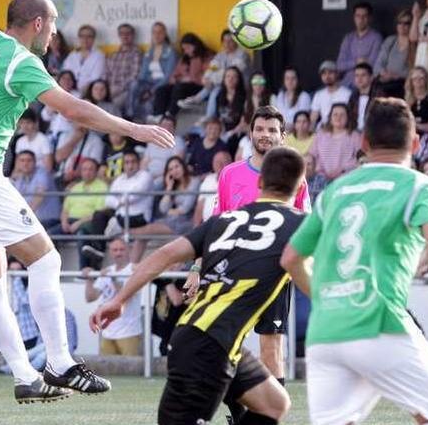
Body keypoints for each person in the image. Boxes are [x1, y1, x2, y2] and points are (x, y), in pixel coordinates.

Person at [0, 0, 174, 401]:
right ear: (36, 23)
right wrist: (135, 130)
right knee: (45, 258)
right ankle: (60, 361)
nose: (52, 35)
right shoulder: (21, 60)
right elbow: (74, 110)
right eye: (51, 25)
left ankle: (24, 377)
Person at [280, 97, 428, 425]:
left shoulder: (334, 191)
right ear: (415, 142)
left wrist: (324, 298)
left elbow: (291, 258)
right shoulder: (420, 186)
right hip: (379, 322)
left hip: (326, 332)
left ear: (364, 143)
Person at [91, 146, 307, 424]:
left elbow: (163, 255)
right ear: (300, 186)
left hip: (202, 337)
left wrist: (119, 299)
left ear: (260, 182)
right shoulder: (300, 224)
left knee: (274, 404)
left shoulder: (222, 220)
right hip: (209, 348)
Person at [185, 105, 310, 393]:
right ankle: (237, 411)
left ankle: (271, 416)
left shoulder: (295, 176)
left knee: (271, 345)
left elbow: (306, 226)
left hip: (276, 275)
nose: (265, 135)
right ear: (251, 133)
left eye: (271, 130)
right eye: (260, 129)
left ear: (283, 136)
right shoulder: (230, 174)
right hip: (234, 272)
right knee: (228, 345)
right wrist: (196, 268)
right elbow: (216, 227)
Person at [128, 156, 200, 263]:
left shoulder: (194, 181)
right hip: (173, 220)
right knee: (141, 237)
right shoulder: (175, 185)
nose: (175, 170)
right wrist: (169, 188)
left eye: (177, 166)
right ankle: (130, 268)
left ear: (183, 166)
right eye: (171, 169)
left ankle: (126, 233)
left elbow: (186, 208)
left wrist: (171, 211)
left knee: (147, 230)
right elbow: (163, 208)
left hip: (186, 222)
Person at [83, 238, 141, 356]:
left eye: (121, 249)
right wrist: (89, 278)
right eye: (114, 250)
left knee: (131, 372)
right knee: (106, 372)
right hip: (107, 332)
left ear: (128, 250)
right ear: (110, 252)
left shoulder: (134, 269)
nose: (118, 253)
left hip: (129, 333)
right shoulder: (108, 271)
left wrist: (112, 277)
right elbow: (91, 298)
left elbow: (126, 296)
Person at [126, 21, 177, 122]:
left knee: (149, 100)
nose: (157, 35)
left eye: (160, 32)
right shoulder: (149, 52)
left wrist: (151, 90)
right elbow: (142, 73)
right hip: (148, 82)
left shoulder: (171, 52)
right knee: (134, 85)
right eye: (154, 32)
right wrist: (142, 88)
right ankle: (130, 115)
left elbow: (168, 76)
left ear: (165, 34)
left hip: (160, 84)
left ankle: (147, 124)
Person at [151, 32, 211, 118]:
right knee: (161, 90)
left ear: (196, 45)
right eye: (184, 49)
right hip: (182, 84)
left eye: (188, 48)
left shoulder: (206, 56)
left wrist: (191, 78)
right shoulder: (184, 58)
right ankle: (158, 115)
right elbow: (175, 74)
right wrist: (177, 78)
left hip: (199, 87)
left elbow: (207, 77)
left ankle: (171, 114)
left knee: (179, 88)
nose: (186, 51)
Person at [308, 104, 362, 181]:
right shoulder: (320, 135)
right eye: (335, 114)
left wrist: (343, 169)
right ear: (330, 117)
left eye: (342, 115)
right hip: (320, 178)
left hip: (346, 178)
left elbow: (361, 159)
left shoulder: (354, 136)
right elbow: (311, 156)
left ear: (347, 118)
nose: (338, 118)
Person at [10, 150, 60, 230]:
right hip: (31, 221)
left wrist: (25, 215)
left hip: (47, 220)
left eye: (29, 160)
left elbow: (39, 196)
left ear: (35, 162)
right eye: (22, 161)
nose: (25, 164)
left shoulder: (42, 173)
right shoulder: (21, 177)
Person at [336, 1, 382, 87]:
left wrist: (350, 64)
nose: (361, 19)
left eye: (364, 16)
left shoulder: (376, 38)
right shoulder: (348, 38)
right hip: (345, 83)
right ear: (354, 18)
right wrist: (356, 62)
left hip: (364, 84)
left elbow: (372, 64)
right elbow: (339, 65)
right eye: (358, 16)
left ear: (370, 18)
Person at [106, 23, 142, 115]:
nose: (125, 36)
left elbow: (134, 76)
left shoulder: (136, 53)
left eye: (128, 33)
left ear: (133, 35)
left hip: (125, 90)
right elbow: (107, 74)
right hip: (110, 89)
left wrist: (118, 89)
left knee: (112, 106)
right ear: (119, 36)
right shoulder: (113, 55)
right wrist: (107, 89)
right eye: (122, 33)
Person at [374, 9, 412, 97]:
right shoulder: (390, 41)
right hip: (386, 84)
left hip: (404, 85)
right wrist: (384, 73)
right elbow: (378, 65)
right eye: (399, 22)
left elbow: (415, 69)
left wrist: (397, 76)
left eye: (406, 23)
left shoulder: (415, 45)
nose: (402, 26)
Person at [62, 24, 106, 92]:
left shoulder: (99, 56)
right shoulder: (72, 55)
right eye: (82, 36)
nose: (85, 39)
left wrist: (80, 93)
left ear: (94, 39)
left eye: (89, 36)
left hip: (88, 93)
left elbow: (95, 79)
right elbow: (64, 74)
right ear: (79, 38)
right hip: (68, 91)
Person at [310, 60, 352, 127]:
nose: (327, 76)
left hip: (341, 128)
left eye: (330, 72)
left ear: (337, 74)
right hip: (322, 129)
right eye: (324, 73)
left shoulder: (347, 94)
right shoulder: (319, 95)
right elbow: (313, 119)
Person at [405, 66, 428, 134]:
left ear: (426, 80)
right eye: (415, 78)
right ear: (411, 81)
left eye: (421, 78)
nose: (418, 81)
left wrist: (417, 126)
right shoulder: (406, 99)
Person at [346, 62, 375, 131]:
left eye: (363, 75)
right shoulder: (353, 96)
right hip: (354, 133)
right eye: (357, 75)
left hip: (372, 134)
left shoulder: (379, 96)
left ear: (371, 78)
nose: (359, 78)